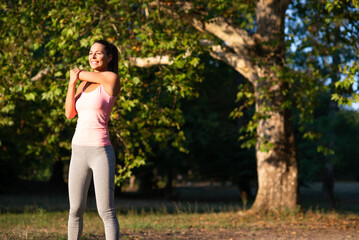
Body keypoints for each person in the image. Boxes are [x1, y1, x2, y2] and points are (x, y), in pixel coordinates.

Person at [65, 40, 121, 240]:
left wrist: (75, 73)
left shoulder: (110, 79)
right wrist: (72, 83)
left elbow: (79, 72)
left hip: (100, 151)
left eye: (98, 53)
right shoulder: (83, 83)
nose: (93, 57)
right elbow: (70, 113)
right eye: (90, 53)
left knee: (105, 211)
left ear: (109, 57)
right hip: (78, 149)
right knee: (75, 209)